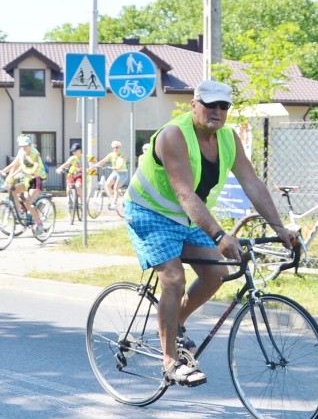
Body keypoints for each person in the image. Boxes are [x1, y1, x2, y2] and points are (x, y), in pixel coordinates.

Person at [124, 79, 294, 387]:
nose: (216, 111)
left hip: (188, 218)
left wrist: (279, 227)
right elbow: (184, 193)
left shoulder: (228, 139)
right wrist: (219, 235)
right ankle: (170, 361)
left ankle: (175, 326)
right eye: (210, 104)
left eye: (223, 106)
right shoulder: (174, 135)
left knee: (216, 274)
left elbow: (252, 183)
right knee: (174, 279)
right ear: (194, 105)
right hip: (152, 212)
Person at [0, 134, 42, 226]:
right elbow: (14, 164)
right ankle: (20, 212)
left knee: (28, 203)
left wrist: (29, 173)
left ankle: (39, 223)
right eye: (22, 146)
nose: (24, 148)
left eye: (25, 146)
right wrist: (3, 171)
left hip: (35, 180)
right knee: (13, 190)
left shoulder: (35, 153)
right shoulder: (21, 153)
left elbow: (36, 165)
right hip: (26, 180)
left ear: (30, 145)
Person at [98, 141, 128, 207]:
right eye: (113, 148)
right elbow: (104, 160)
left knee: (115, 187)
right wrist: (96, 165)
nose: (115, 149)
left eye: (117, 147)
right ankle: (113, 197)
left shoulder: (122, 156)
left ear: (120, 148)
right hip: (115, 173)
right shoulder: (111, 154)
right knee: (107, 185)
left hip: (122, 173)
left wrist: (114, 167)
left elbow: (120, 165)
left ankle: (114, 203)